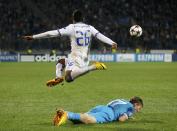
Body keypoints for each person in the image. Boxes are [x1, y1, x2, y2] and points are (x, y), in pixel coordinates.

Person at [23, 10, 117, 87]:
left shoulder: (71, 27)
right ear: (83, 19)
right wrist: (112, 42)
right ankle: (58, 78)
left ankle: (94, 67)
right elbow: (100, 36)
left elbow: (50, 33)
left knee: (68, 78)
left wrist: (34, 37)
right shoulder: (90, 27)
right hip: (84, 57)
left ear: (73, 19)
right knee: (61, 62)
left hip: (76, 57)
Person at [53, 96, 143, 126]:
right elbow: (121, 119)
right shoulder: (131, 108)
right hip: (109, 114)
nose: (138, 111)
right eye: (139, 108)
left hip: (102, 107)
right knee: (89, 120)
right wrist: (127, 117)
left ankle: (63, 115)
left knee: (82, 120)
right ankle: (66, 114)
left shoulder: (123, 100)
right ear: (136, 104)